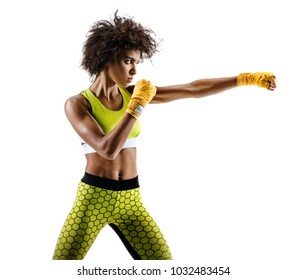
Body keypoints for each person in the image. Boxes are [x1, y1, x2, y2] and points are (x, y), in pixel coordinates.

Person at [52, 11, 276, 260]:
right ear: (106, 57)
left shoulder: (132, 93)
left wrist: (244, 79)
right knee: (63, 265)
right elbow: (107, 148)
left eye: (137, 62)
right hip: (93, 198)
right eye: (128, 61)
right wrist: (135, 107)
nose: (134, 70)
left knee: (163, 265)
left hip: (131, 198)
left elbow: (191, 89)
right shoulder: (78, 104)